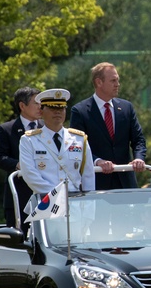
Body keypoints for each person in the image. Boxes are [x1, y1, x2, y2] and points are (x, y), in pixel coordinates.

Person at [19, 89, 96, 223]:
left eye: (61, 108)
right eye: (52, 108)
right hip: (45, 205)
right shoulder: (29, 140)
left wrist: (89, 213)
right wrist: (57, 197)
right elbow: (30, 175)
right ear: (41, 111)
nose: (58, 112)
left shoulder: (79, 139)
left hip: (76, 207)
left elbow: (88, 176)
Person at [69, 62, 147, 190]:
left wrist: (138, 158)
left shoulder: (126, 108)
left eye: (118, 80)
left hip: (125, 182)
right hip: (97, 182)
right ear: (99, 82)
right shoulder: (80, 111)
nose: (118, 84)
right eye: (113, 80)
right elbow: (77, 147)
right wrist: (97, 161)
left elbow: (138, 139)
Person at [0, 86, 42, 227]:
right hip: (20, 195)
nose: (41, 107)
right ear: (22, 105)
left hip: (46, 195)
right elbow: (0, 158)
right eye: (36, 103)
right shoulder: (7, 129)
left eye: (41, 103)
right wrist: (19, 165)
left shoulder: (47, 127)